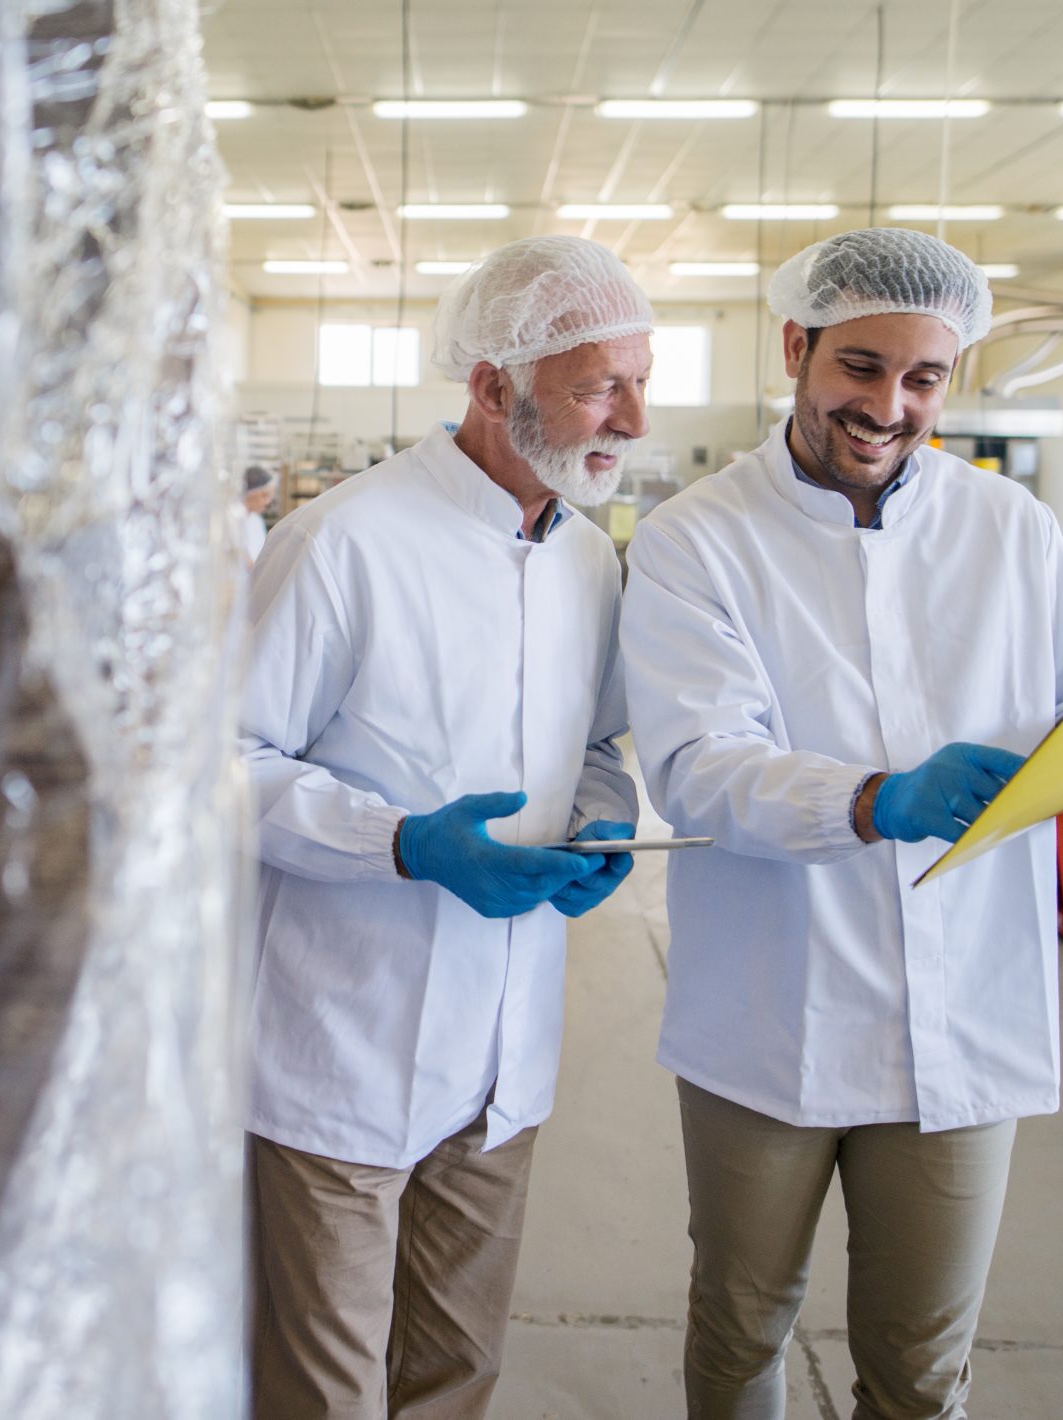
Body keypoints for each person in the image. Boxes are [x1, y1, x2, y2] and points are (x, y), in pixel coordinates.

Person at [619, 227, 1063, 1420]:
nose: (886, 405)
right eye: (858, 366)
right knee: (741, 1329)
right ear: (795, 348)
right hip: (770, 1006)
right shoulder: (700, 537)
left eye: (922, 376)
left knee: (924, 1365)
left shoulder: (1008, 529)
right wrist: (868, 800)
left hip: (960, 1019)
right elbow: (696, 765)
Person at [238, 235, 655, 1420]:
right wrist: (403, 843)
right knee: (323, 1392)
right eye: (595, 385)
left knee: (457, 1376)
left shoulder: (586, 559)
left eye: (638, 379)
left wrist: (603, 828)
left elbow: (594, 746)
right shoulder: (342, 543)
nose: (627, 416)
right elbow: (217, 765)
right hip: (339, 1053)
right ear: (491, 387)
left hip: (499, 1065)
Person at [241, 462, 277, 567]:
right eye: (264, 496)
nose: (267, 503)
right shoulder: (232, 518)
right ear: (250, 492)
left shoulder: (257, 521)